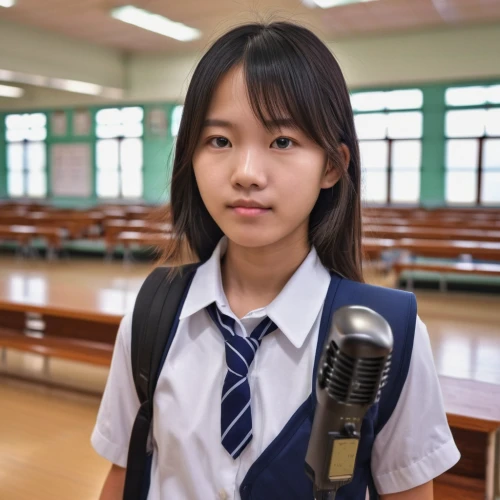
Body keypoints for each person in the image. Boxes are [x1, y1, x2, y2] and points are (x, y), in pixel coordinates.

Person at [92, 21, 460, 500]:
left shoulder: (386, 334)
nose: (246, 173)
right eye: (219, 141)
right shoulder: (152, 316)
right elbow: (123, 475)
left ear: (332, 165)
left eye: (282, 141)